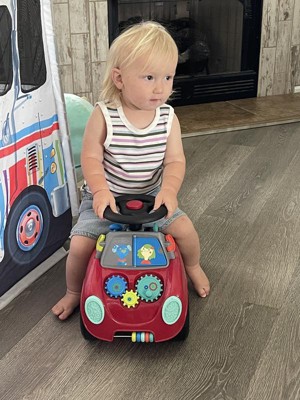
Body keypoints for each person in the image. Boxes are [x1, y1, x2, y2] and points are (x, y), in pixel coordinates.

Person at [52, 21, 210, 320]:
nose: (161, 87)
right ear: (120, 78)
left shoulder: (167, 118)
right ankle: (74, 291)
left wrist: (168, 190)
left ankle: (192, 267)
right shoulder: (104, 115)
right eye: (149, 77)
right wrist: (99, 191)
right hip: (106, 197)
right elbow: (91, 158)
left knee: (186, 231)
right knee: (80, 245)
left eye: (168, 76)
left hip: (151, 196)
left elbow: (174, 161)